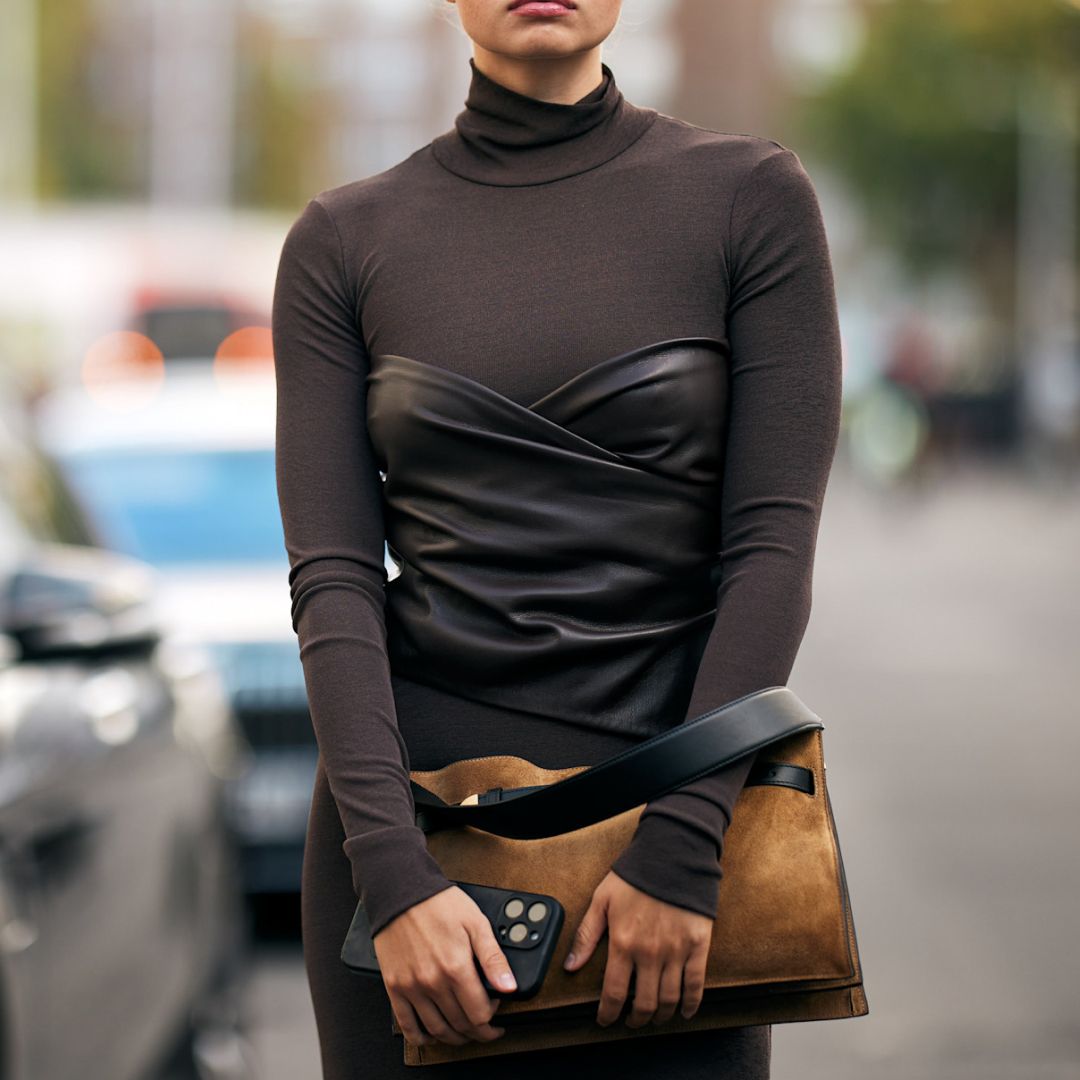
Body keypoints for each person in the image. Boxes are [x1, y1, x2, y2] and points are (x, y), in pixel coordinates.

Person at [271, 1, 843, 1076]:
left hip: (675, 854)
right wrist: (391, 877)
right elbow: (335, 580)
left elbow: (772, 552)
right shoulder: (343, 239)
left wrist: (682, 848)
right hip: (411, 859)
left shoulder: (748, 199)